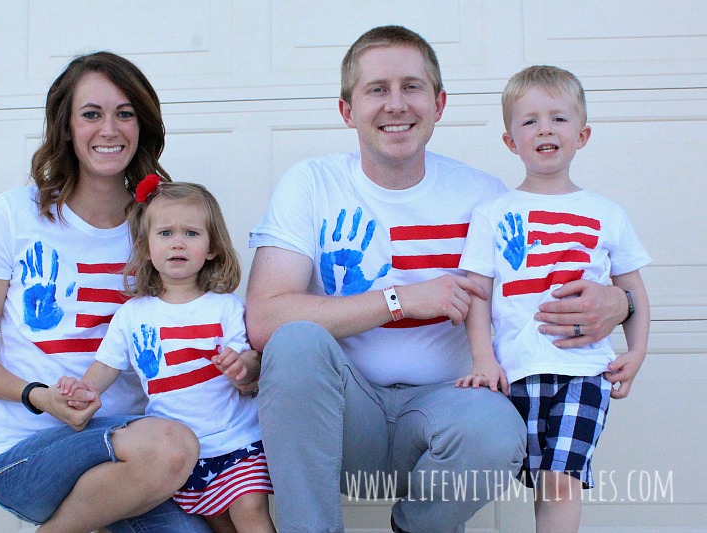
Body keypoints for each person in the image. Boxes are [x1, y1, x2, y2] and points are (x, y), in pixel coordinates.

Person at [245, 26, 635, 533]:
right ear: (347, 111)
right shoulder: (312, 183)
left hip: (444, 412)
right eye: (376, 90)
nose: (396, 104)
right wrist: (399, 300)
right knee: (294, 341)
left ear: (439, 103)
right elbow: (265, 319)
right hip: (343, 415)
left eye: (411, 87)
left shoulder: (485, 197)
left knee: (497, 427)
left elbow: (554, 280)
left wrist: (620, 302)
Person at [0, 52, 216, 532]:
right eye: (91, 114)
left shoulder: (164, 227)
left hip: (139, 454)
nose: (109, 129)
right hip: (27, 453)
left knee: (180, 473)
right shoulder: (12, 216)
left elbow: (194, 327)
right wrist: (41, 397)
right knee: (172, 446)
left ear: (143, 125)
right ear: (66, 127)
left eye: (125, 113)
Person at [455, 65, 650, 533]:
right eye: (529, 121)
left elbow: (634, 292)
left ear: (582, 135)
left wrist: (637, 351)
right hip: (517, 368)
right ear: (510, 142)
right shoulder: (493, 213)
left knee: (561, 479)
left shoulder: (607, 213)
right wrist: (484, 357)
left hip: (585, 371)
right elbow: (476, 292)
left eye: (558, 118)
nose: (545, 128)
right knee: (540, 481)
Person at [58, 178, 275, 533]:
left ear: (211, 248)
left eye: (191, 233)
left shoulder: (225, 308)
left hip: (236, 439)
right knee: (220, 526)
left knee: (250, 514)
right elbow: (105, 367)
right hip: (183, 454)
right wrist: (82, 390)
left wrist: (241, 366)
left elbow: (252, 361)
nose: (177, 242)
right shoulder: (132, 315)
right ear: (145, 248)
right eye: (165, 234)